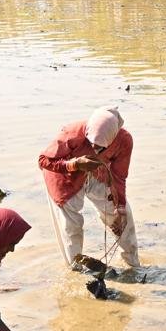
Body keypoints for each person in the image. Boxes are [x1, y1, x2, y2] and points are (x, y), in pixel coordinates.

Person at [39, 106, 140, 271]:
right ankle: (77, 271)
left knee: (123, 218)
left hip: (97, 173)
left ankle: (133, 264)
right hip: (64, 177)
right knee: (71, 227)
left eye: (101, 148)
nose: (95, 149)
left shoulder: (123, 140)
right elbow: (43, 161)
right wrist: (74, 164)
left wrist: (119, 208)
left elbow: (119, 176)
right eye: (92, 144)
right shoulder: (72, 132)